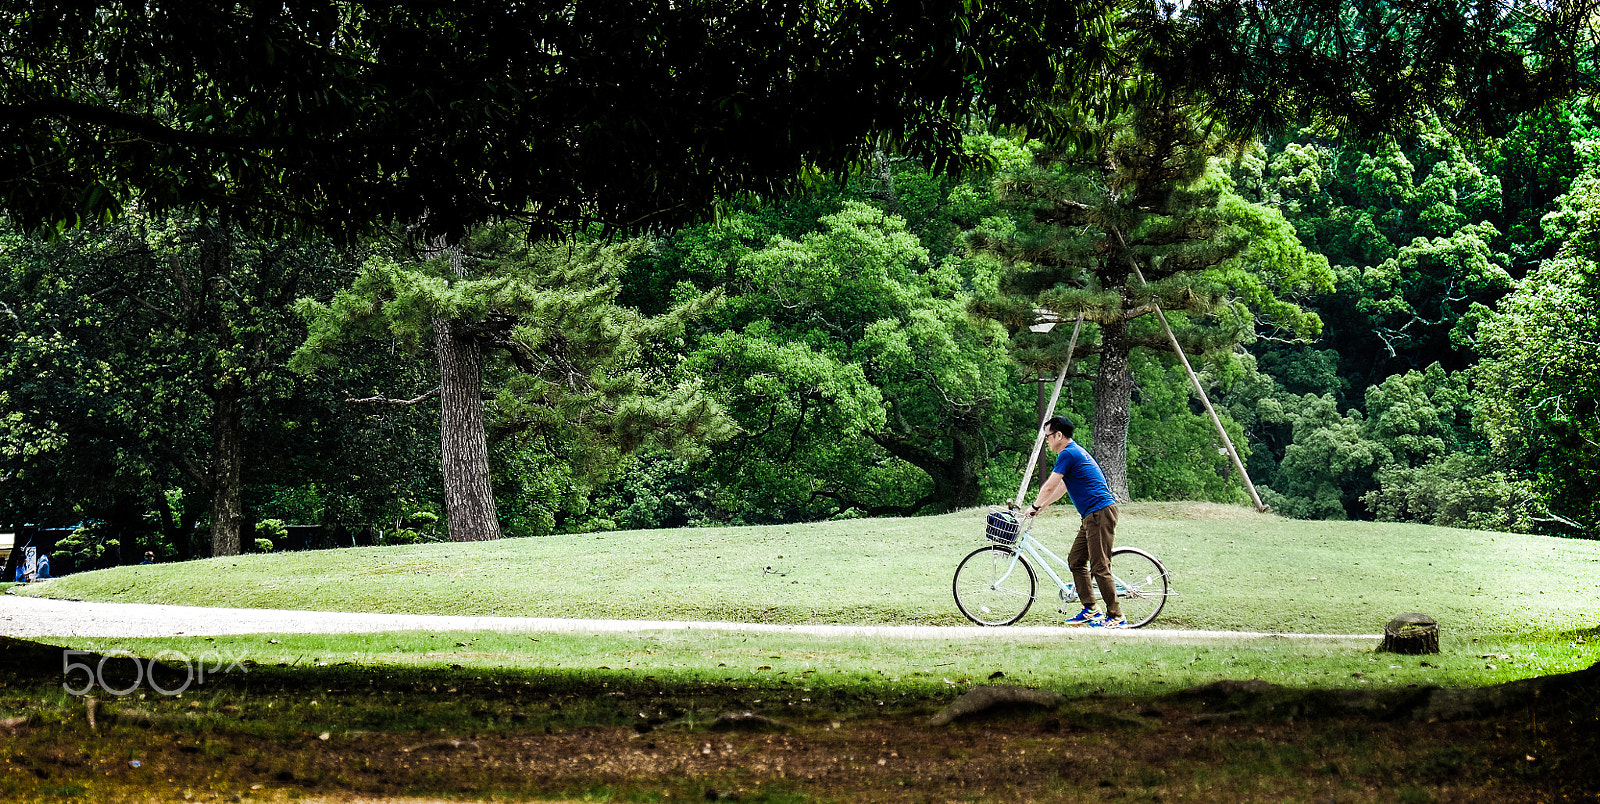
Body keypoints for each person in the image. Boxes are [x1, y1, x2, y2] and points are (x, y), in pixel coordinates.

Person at [1024, 415, 1125, 628]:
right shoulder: (1073, 453)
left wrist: (1033, 506)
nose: (1047, 441)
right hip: (1091, 515)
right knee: (1076, 560)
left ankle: (1116, 616)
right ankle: (1090, 610)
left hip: (1099, 513)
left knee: (1099, 567)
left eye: (1048, 437)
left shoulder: (1068, 453)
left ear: (1059, 435)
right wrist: (1041, 508)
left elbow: (1050, 486)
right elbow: (1060, 489)